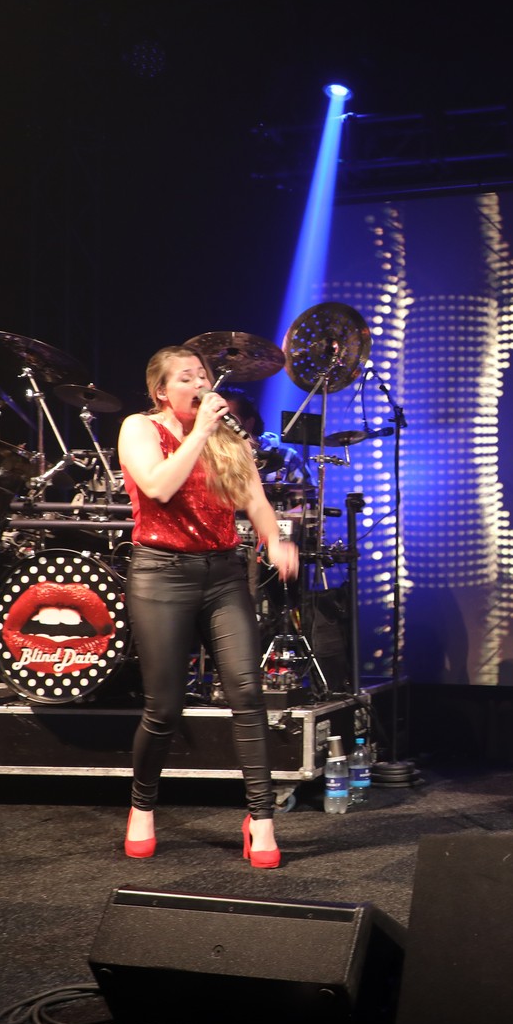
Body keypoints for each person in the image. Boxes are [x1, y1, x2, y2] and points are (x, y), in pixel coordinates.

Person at [117, 346, 300, 867]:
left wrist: (274, 539)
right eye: (186, 377)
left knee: (247, 693)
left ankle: (261, 820)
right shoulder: (140, 428)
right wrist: (199, 433)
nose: (199, 384)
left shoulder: (226, 437)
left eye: (203, 375)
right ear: (161, 391)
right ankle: (142, 806)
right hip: (161, 574)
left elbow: (255, 499)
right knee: (164, 708)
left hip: (222, 574)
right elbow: (158, 486)